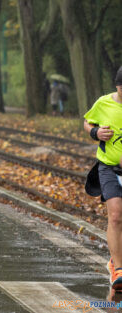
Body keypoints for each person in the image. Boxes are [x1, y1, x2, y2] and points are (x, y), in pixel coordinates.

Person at [84, 66, 122, 291]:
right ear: (117, 86)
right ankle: (118, 267)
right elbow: (87, 121)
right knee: (116, 215)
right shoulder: (104, 103)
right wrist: (95, 133)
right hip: (108, 167)